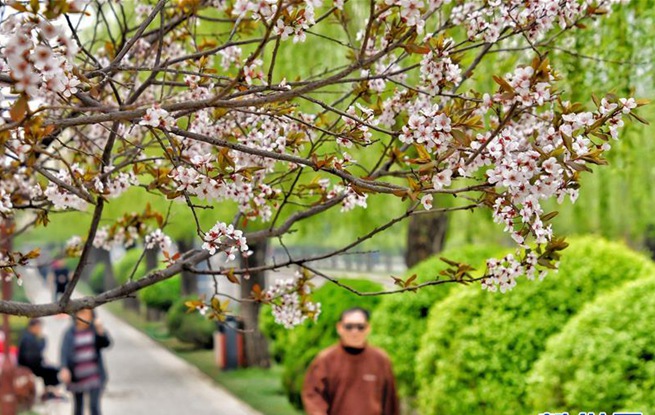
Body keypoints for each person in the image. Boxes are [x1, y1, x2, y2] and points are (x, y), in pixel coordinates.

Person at [302, 307, 399, 415]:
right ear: (339, 328)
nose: (355, 332)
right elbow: (312, 395)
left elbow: (391, 402)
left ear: (368, 328)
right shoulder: (325, 360)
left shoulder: (381, 360)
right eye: (349, 326)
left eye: (360, 327)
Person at [60, 308, 111, 415]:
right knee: (78, 408)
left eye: (88, 314)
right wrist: (64, 368)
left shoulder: (94, 329)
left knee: (94, 406)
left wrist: (100, 330)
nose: (85, 316)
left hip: (94, 376)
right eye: (81, 313)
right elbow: (64, 352)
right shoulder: (69, 333)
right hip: (77, 377)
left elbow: (106, 343)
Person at [17, 318, 63, 401]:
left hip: (31, 365)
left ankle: (48, 392)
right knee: (51, 371)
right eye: (38, 327)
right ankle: (49, 392)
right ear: (33, 327)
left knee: (51, 370)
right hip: (30, 366)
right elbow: (33, 355)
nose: (40, 329)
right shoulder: (28, 338)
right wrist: (43, 341)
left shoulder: (28, 336)